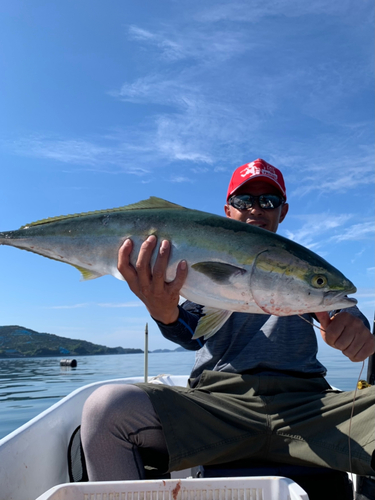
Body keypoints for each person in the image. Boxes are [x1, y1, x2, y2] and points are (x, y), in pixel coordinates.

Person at [81, 158, 375, 484]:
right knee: (107, 409)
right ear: (228, 209)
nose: (256, 208)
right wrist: (165, 313)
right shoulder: (199, 262)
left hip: (308, 407)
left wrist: (355, 332)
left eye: (268, 200)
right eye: (244, 200)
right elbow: (192, 332)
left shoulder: (303, 268)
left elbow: (340, 307)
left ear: (283, 211)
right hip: (218, 407)